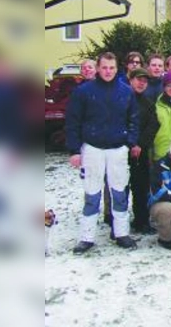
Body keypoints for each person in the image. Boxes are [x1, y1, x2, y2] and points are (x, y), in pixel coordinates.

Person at [65, 52, 139, 253]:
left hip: (117, 149)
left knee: (119, 192)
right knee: (92, 193)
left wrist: (129, 142)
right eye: (104, 67)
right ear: (98, 68)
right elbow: (73, 121)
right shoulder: (83, 91)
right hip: (92, 148)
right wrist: (74, 150)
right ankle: (86, 237)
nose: (108, 71)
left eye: (112, 68)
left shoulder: (126, 91)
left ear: (117, 69)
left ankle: (122, 233)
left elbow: (134, 119)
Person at [128, 68, 160, 234]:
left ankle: (141, 220)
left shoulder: (148, 103)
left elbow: (153, 125)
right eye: (138, 79)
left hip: (141, 151)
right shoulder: (123, 99)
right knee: (119, 188)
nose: (141, 83)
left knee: (141, 187)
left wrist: (140, 144)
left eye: (144, 81)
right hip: (122, 149)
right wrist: (130, 144)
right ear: (131, 80)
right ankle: (116, 222)